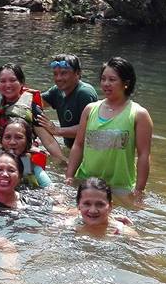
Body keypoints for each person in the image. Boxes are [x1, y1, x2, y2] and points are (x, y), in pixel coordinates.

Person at [66, 57, 154, 204]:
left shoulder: (139, 114)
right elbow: (79, 145)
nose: (106, 84)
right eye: (103, 79)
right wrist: (69, 176)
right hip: (86, 182)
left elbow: (144, 154)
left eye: (112, 80)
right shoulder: (90, 109)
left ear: (126, 83)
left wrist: (139, 190)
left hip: (120, 186)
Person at [0, 63, 65, 162]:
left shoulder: (32, 109)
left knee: (27, 173)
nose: (8, 85)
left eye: (12, 80)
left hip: (22, 155)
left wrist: (63, 161)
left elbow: (48, 141)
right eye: (3, 81)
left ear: (22, 83)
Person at [35, 54, 99, 148]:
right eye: (55, 74)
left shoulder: (85, 93)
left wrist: (56, 130)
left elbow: (89, 129)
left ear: (77, 73)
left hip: (88, 149)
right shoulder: (57, 91)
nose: (58, 78)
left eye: (63, 73)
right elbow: (36, 103)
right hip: (70, 147)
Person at [62, 178, 137, 237]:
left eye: (100, 204)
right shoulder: (69, 224)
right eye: (87, 204)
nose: (93, 210)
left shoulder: (123, 232)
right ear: (78, 205)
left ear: (110, 206)